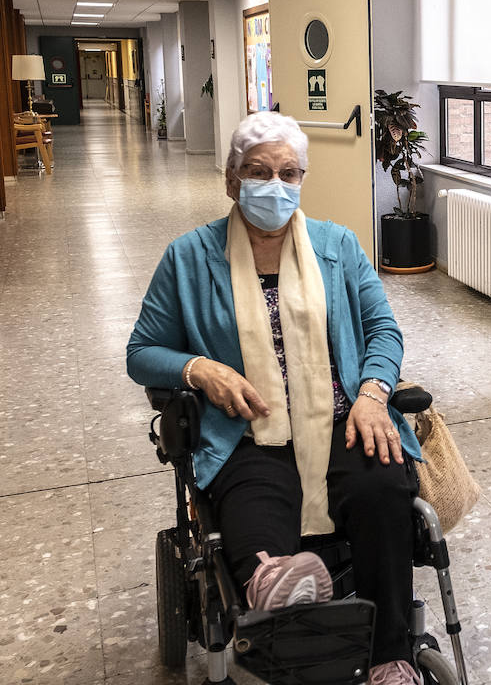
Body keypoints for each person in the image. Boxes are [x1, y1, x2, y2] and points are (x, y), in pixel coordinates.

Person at [127, 111, 426, 685]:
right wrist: (198, 368)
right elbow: (142, 351)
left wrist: (371, 393)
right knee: (251, 517)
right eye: (259, 172)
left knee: (383, 489)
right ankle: (285, 599)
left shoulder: (338, 245)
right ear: (232, 181)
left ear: (302, 179)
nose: (275, 185)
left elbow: (384, 331)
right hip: (246, 434)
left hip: (342, 421)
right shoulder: (189, 258)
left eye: (289, 173)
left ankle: (390, 656)